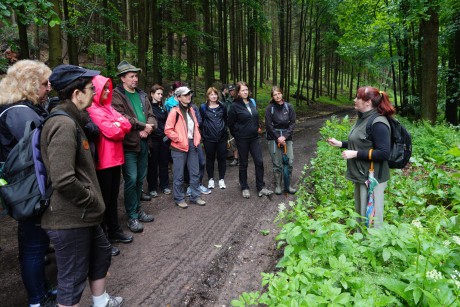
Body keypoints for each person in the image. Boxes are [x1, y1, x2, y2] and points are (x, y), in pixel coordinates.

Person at [42, 64, 123, 307]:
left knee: (101, 254)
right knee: (72, 280)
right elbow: (63, 178)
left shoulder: (74, 120)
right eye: (90, 88)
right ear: (77, 94)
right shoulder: (63, 125)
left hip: (85, 215)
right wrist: (92, 199)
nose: (94, 93)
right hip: (70, 218)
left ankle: (101, 301)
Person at [0, 60, 54, 307]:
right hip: (27, 189)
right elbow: (38, 148)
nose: (48, 88)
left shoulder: (20, 108)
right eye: (44, 84)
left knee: (37, 243)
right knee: (33, 245)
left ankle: (42, 289)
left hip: (29, 186)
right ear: (30, 85)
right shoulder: (18, 112)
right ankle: (37, 299)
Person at [327, 86, 394, 228]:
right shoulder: (363, 118)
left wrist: (355, 154)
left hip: (373, 178)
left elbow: (383, 153)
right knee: (361, 214)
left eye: (358, 97)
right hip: (361, 174)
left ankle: (373, 245)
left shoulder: (378, 123)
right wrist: (341, 144)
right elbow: (362, 142)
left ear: (368, 102)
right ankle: (360, 244)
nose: (354, 100)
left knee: (372, 219)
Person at [87, 75, 133, 257]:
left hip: (116, 159)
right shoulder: (92, 109)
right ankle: (104, 238)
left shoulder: (108, 107)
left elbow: (126, 124)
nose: (107, 92)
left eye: (108, 88)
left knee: (113, 198)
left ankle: (114, 231)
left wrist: (117, 124)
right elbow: (113, 131)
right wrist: (117, 125)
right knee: (104, 201)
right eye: (103, 88)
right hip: (103, 162)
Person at [112, 60, 157, 233]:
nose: (135, 79)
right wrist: (141, 126)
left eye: (136, 76)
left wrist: (149, 127)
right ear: (123, 78)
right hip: (129, 144)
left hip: (145, 141)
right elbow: (120, 116)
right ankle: (131, 216)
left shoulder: (142, 95)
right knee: (131, 179)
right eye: (131, 76)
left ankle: (138, 209)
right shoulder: (117, 95)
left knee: (140, 179)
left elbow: (152, 115)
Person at [227, 81, 273, 198]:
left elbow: (255, 117)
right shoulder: (234, 106)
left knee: (259, 161)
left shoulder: (251, 102)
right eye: (242, 90)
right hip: (242, 139)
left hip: (254, 138)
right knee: (244, 163)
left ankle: (260, 187)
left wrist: (256, 127)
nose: (245, 92)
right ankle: (244, 187)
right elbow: (231, 124)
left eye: (246, 89)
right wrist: (237, 135)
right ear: (238, 92)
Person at [164, 86, 206, 209]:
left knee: (194, 172)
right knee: (179, 174)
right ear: (178, 97)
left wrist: (197, 139)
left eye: (189, 94)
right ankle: (179, 198)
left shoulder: (191, 110)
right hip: (178, 147)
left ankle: (195, 196)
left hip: (193, 145)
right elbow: (168, 130)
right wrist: (179, 139)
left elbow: (196, 126)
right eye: (185, 94)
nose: (188, 96)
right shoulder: (174, 112)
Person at [265, 86, 297, 195]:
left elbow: (292, 123)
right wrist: (278, 137)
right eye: (275, 95)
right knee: (277, 163)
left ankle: (288, 185)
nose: (277, 96)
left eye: (278, 93)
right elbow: (268, 125)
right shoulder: (270, 108)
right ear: (272, 97)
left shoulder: (289, 107)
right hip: (273, 138)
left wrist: (285, 137)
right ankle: (278, 185)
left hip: (287, 138)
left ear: (282, 93)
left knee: (290, 161)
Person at [200, 87, 228, 189]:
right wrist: (204, 135)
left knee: (222, 159)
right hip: (208, 139)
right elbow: (201, 122)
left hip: (222, 138)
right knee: (210, 159)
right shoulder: (203, 107)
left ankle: (221, 179)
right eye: (211, 94)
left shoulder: (222, 106)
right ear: (208, 96)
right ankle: (211, 179)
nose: (214, 96)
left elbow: (225, 119)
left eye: (215, 94)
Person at [146, 84, 172, 197]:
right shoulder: (148, 107)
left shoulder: (163, 107)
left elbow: (167, 121)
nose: (161, 96)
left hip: (164, 139)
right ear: (152, 94)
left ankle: (164, 185)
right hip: (153, 140)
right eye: (158, 94)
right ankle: (152, 187)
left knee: (164, 163)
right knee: (153, 164)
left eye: (162, 94)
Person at [224, 84, 239, 167]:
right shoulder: (227, 101)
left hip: (240, 125)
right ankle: (236, 158)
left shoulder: (239, 100)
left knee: (241, 141)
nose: (231, 92)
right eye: (229, 91)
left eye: (232, 90)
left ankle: (242, 157)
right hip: (231, 125)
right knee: (232, 142)